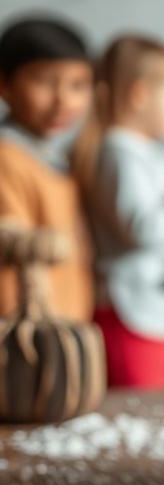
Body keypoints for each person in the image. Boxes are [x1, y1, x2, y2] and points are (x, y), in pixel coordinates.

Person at [77, 35, 164, 390]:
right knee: (142, 399)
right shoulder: (121, 153)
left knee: (155, 392)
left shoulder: (145, 152)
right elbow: (143, 229)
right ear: (140, 95)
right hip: (131, 307)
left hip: (150, 305)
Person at [0, 16, 94, 321]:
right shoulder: (8, 158)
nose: (63, 100)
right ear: (5, 84)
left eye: (78, 85)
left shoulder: (56, 158)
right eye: (44, 81)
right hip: (26, 327)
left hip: (66, 317)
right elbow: (15, 248)